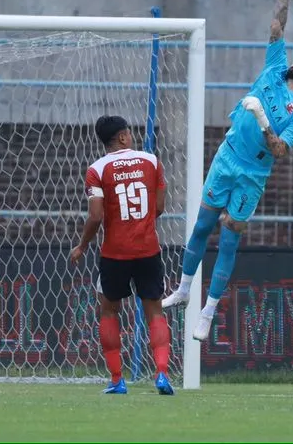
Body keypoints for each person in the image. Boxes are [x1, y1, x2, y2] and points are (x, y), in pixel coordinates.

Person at [162, 0, 293, 343]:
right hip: (227, 157)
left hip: (253, 172)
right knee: (200, 225)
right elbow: (277, 25)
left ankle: (208, 310)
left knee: (229, 236)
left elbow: (281, 152)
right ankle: (183, 290)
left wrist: (264, 119)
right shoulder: (273, 68)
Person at [70, 115, 174, 396]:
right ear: (124, 137)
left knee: (108, 310)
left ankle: (117, 379)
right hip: (148, 249)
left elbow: (95, 216)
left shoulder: (96, 169)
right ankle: (162, 374)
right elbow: (160, 207)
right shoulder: (151, 161)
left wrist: (82, 245)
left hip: (115, 253)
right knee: (154, 309)